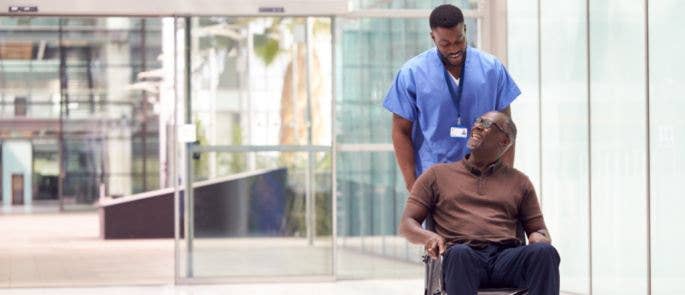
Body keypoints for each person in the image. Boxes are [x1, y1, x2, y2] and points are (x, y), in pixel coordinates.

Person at [399, 111, 560, 295]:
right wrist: (429, 237)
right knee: (459, 254)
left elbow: (539, 229)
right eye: (476, 121)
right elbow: (407, 224)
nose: (476, 126)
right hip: (463, 256)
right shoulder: (436, 175)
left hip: (506, 258)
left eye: (485, 124)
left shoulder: (519, 181)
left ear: (504, 141)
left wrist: (539, 237)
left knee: (545, 253)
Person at [383, 4, 521, 192]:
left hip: (485, 181)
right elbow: (400, 131)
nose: (454, 49)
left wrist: (505, 181)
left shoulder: (492, 69)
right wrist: (412, 185)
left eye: (459, 40)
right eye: (445, 44)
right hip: (434, 183)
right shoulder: (411, 74)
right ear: (433, 37)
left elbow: (506, 129)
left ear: (465, 29)